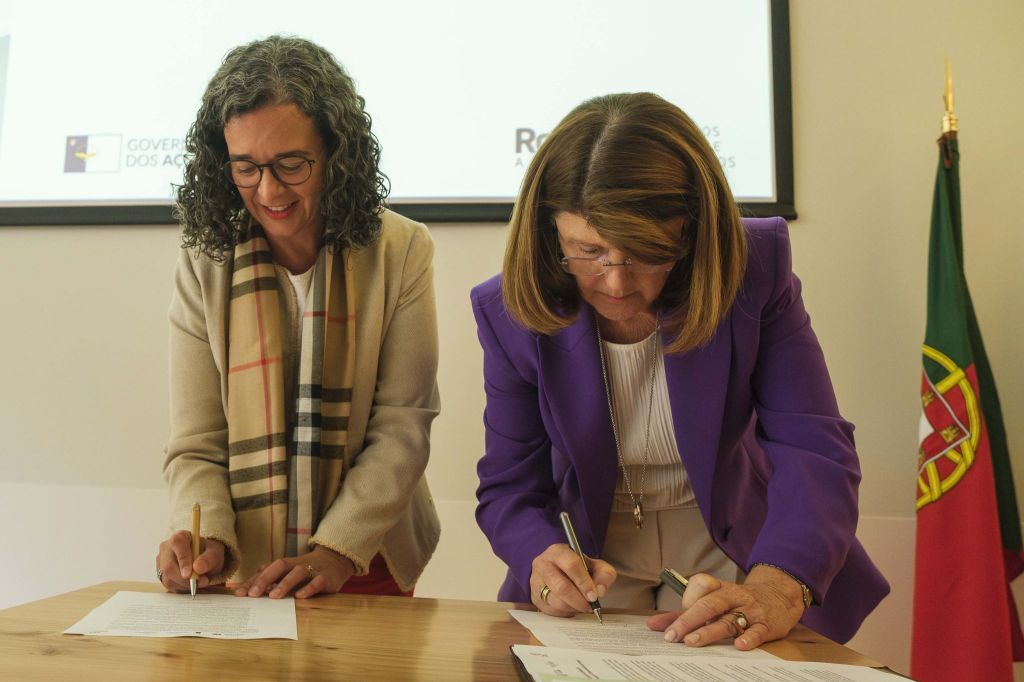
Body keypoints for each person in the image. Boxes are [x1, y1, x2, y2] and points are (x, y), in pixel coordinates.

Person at [471, 92, 888, 648]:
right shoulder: (508, 311)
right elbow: (509, 486)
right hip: (592, 555)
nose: (616, 282)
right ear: (551, 236)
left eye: (646, 252)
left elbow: (812, 443)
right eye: (587, 250)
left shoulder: (753, 268)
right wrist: (539, 557)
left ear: (690, 233)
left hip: (734, 542)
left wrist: (778, 585)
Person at [155, 36, 440, 601]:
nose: (268, 190)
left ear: (336, 153)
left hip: (365, 556)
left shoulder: (403, 249)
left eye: (291, 164)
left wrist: (336, 550)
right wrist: (203, 536)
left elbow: (402, 428)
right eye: (245, 168)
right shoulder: (204, 262)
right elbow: (197, 441)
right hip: (244, 562)